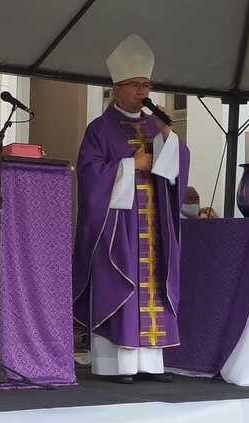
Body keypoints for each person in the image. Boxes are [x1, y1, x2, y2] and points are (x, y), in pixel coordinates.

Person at [73, 34, 190, 384]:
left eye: (146, 84)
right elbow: (90, 176)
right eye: (136, 85)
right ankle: (117, 365)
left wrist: (169, 137)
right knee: (121, 285)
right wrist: (128, 165)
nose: (143, 92)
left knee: (153, 285)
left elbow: (176, 168)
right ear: (117, 88)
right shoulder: (99, 130)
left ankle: (151, 364)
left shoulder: (156, 125)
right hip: (117, 227)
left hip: (153, 225)